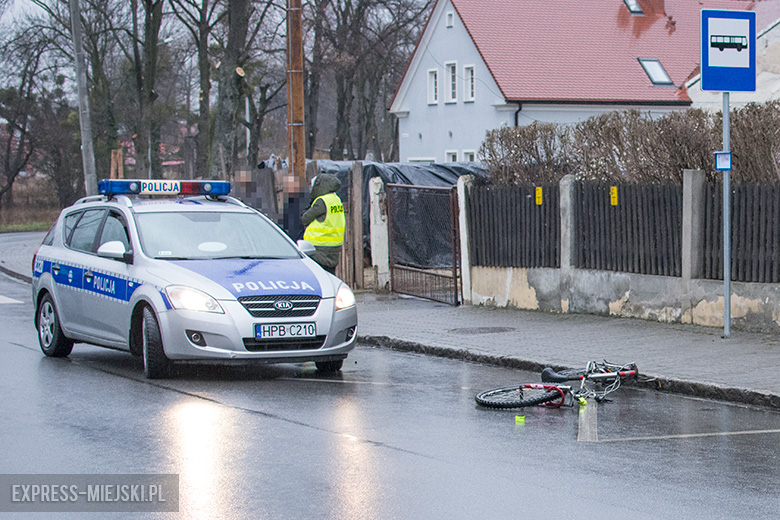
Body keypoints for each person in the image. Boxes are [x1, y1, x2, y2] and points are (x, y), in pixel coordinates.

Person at [300, 174, 345, 274]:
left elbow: (305, 218)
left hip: (319, 246)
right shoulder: (336, 199)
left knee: (318, 275)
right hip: (334, 245)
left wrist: (308, 204)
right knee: (330, 275)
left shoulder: (322, 201)